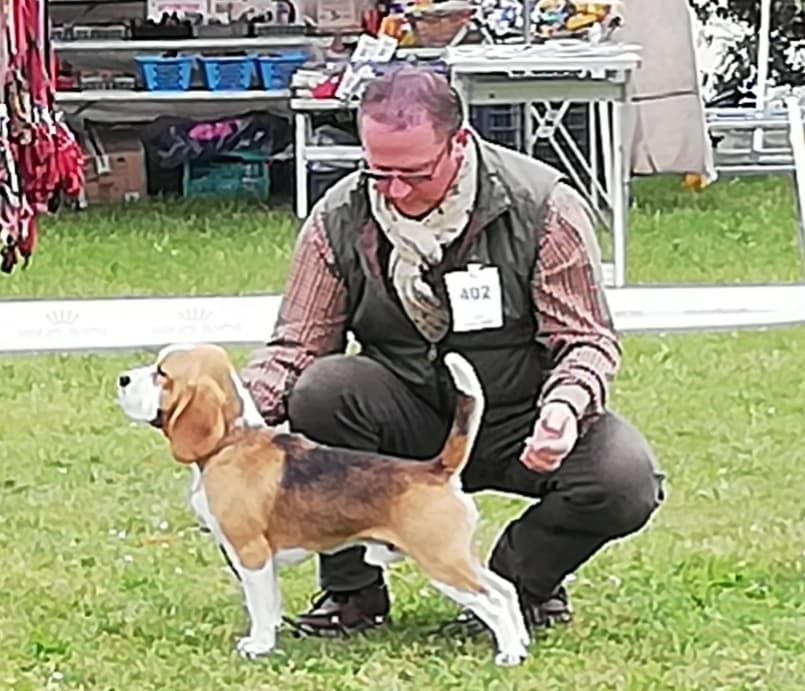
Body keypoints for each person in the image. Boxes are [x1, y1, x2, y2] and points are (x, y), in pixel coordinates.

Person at [241, 66, 665, 637]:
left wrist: (564, 410)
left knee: (624, 479)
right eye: (377, 171)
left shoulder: (544, 207)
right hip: (405, 414)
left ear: (459, 144)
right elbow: (297, 344)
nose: (392, 190)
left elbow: (585, 339)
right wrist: (234, 418)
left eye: (413, 174)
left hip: (521, 416)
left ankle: (517, 584)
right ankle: (352, 593)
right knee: (323, 390)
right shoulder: (339, 216)